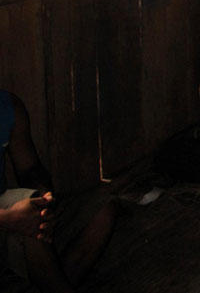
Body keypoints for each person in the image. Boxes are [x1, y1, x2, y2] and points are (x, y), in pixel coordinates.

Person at [0, 90, 117, 292]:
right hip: (6, 215)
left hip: (11, 212)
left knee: (104, 210)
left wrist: (46, 196)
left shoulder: (8, 107)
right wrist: (8, 218)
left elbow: (29, 169)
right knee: (31, 219)